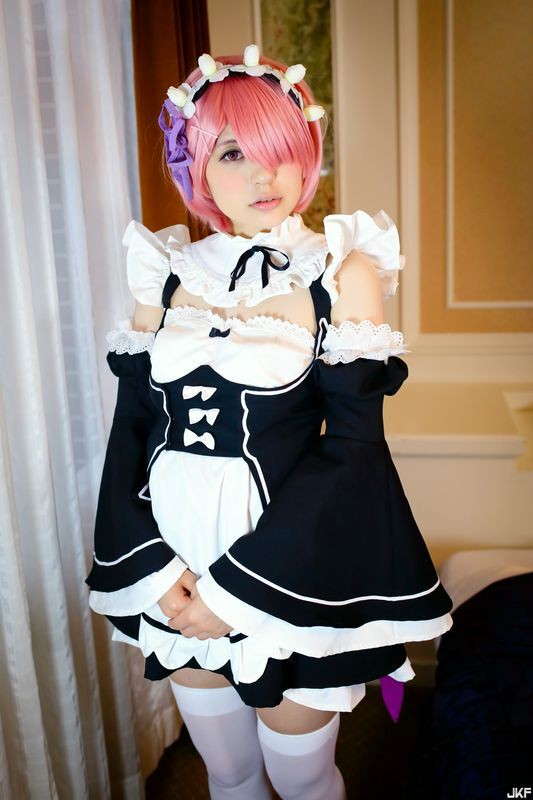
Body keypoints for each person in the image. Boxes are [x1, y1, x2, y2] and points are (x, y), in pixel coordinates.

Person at [85, 44, 453, 800]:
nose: (264, 176)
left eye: (282, 150)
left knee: (302, 778)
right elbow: (131, 433)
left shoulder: (340, 270)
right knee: (227, 774)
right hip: (177, 569)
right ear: (195, 163)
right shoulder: (165, 273)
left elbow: (353, 447)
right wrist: (159, 574)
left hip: (290, 565)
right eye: (233, 153)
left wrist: (231, 595)